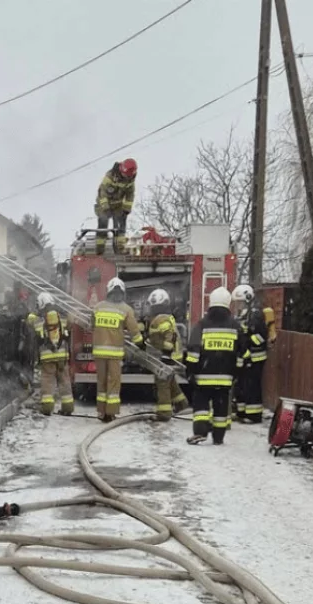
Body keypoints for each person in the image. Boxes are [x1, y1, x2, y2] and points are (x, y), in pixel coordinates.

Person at [184, 287, 247, 445]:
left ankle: (200, 432)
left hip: (203, 377)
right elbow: (243, 352)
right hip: (225, 378)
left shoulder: (202, 325)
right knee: (221, 407)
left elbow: (193, 350)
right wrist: (236, 373)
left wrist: (191, 371)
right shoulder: (235, 326)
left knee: (201, 405)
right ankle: (218, 437)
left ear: (211, 302)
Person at [92, 277, 144, 422]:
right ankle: (111, 413)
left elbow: (92, 325)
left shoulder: (98, 307)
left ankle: (101, 412)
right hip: (115, 353)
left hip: (99, 352)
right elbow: (134, 330)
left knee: (101, 382)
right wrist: (140, 343)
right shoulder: (126, 309)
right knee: (113, 382)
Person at [231, 284, 276, 424]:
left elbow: (261, 336)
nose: (237, 305)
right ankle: (241, 412)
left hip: (255, 357)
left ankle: (254, 416)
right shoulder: (242, 315)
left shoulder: (256, 315)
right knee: (241, 385)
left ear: (248, 299)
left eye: (239, 302)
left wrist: (246, 343)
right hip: (244, 357)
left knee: (252, 386)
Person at [145, 288, 188, 421]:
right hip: (171, 355)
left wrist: (166, 355)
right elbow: (157, 338)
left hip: (168, 356)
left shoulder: (161, 320)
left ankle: (164, 412)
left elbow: (169, 337)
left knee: (162, 382)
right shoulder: (163, 318)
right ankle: (181, 403)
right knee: (169, 379)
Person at [34, 293, 74, 416]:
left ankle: (47, 408)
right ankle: (68, 407)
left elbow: (34, 328)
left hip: (47, 357)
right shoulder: (62, 316)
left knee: (47, 382)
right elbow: (71, 323)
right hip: (62, 356)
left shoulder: (39, 319)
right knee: (64, 381)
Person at [94, 158, 138, 255]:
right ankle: (100, 249)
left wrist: (126, 209)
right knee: (103, 222)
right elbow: (102, 193)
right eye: (125, 175)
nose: (126, 177)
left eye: (128, 176)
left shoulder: (130, 180)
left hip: (118, 205)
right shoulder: (110, 176)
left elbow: (130, 195)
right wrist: (106, 207)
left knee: (121, 224)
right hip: (103, 203)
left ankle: (120, 248)